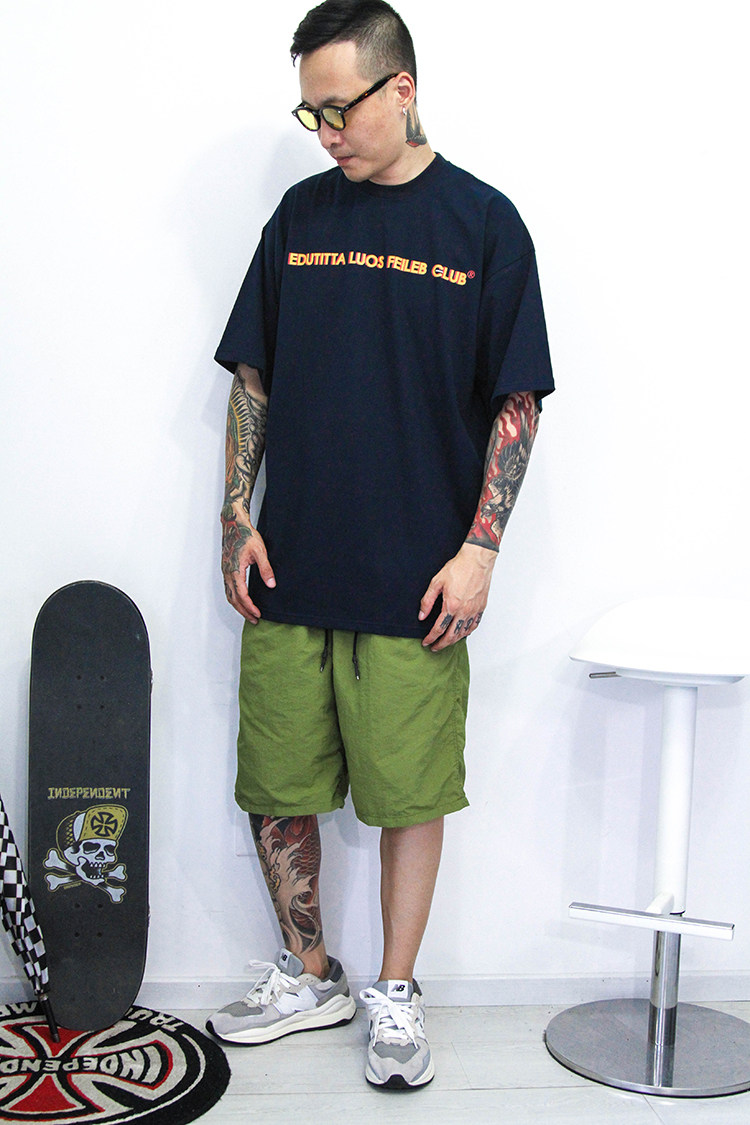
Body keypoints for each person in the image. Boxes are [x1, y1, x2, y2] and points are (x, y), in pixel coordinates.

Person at [208, 0, 554, 1090]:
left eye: (340, 108)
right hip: (292, 564)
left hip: (418, 579)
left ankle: (395, 991)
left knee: (408, 795)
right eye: (309, 112)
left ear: (402, 88)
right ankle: (310, 972)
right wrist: (235, 512)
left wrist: (481, 550)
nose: (325, 133)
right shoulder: (300, 217)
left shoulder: (483, 225)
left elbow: (517, 402)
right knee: (277, 779)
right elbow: (254, 374)